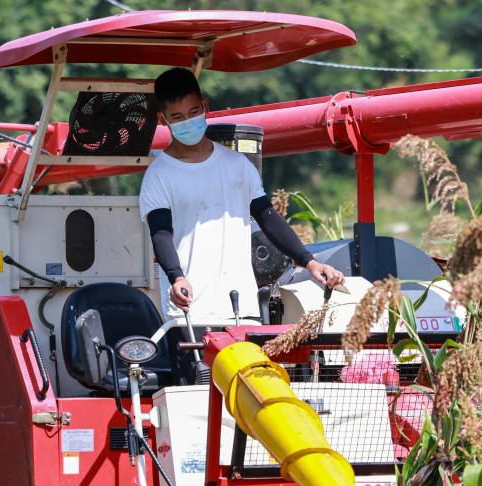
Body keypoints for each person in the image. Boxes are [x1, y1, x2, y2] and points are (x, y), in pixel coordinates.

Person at [139, 67, 345, 322]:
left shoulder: (237, 165)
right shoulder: (159, 175)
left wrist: (310, 262)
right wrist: (176, 277)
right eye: (178, 117)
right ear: (163, 120)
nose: (188, 122)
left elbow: (267, 216)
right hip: (189, 313)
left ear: (205, 106)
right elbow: (161, 234)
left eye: (194, 113)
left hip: (242, 309)